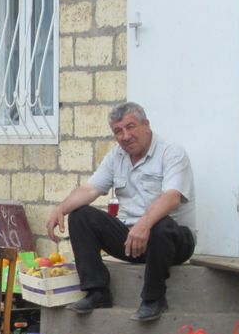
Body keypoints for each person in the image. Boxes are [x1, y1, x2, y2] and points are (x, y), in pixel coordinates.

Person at [45, 101, 196, 322]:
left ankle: (153, 300)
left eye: (131, 127)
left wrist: (144, 224)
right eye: (118, 131)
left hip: (172, 242)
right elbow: (90, 189)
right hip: (132, 241)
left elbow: (172, 197)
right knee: (81, 214)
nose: (125, 136)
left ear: (146, 125)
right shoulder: (116, 156)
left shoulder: (171, 153)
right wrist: (61, 208)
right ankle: (97, 292)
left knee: (161, 225)